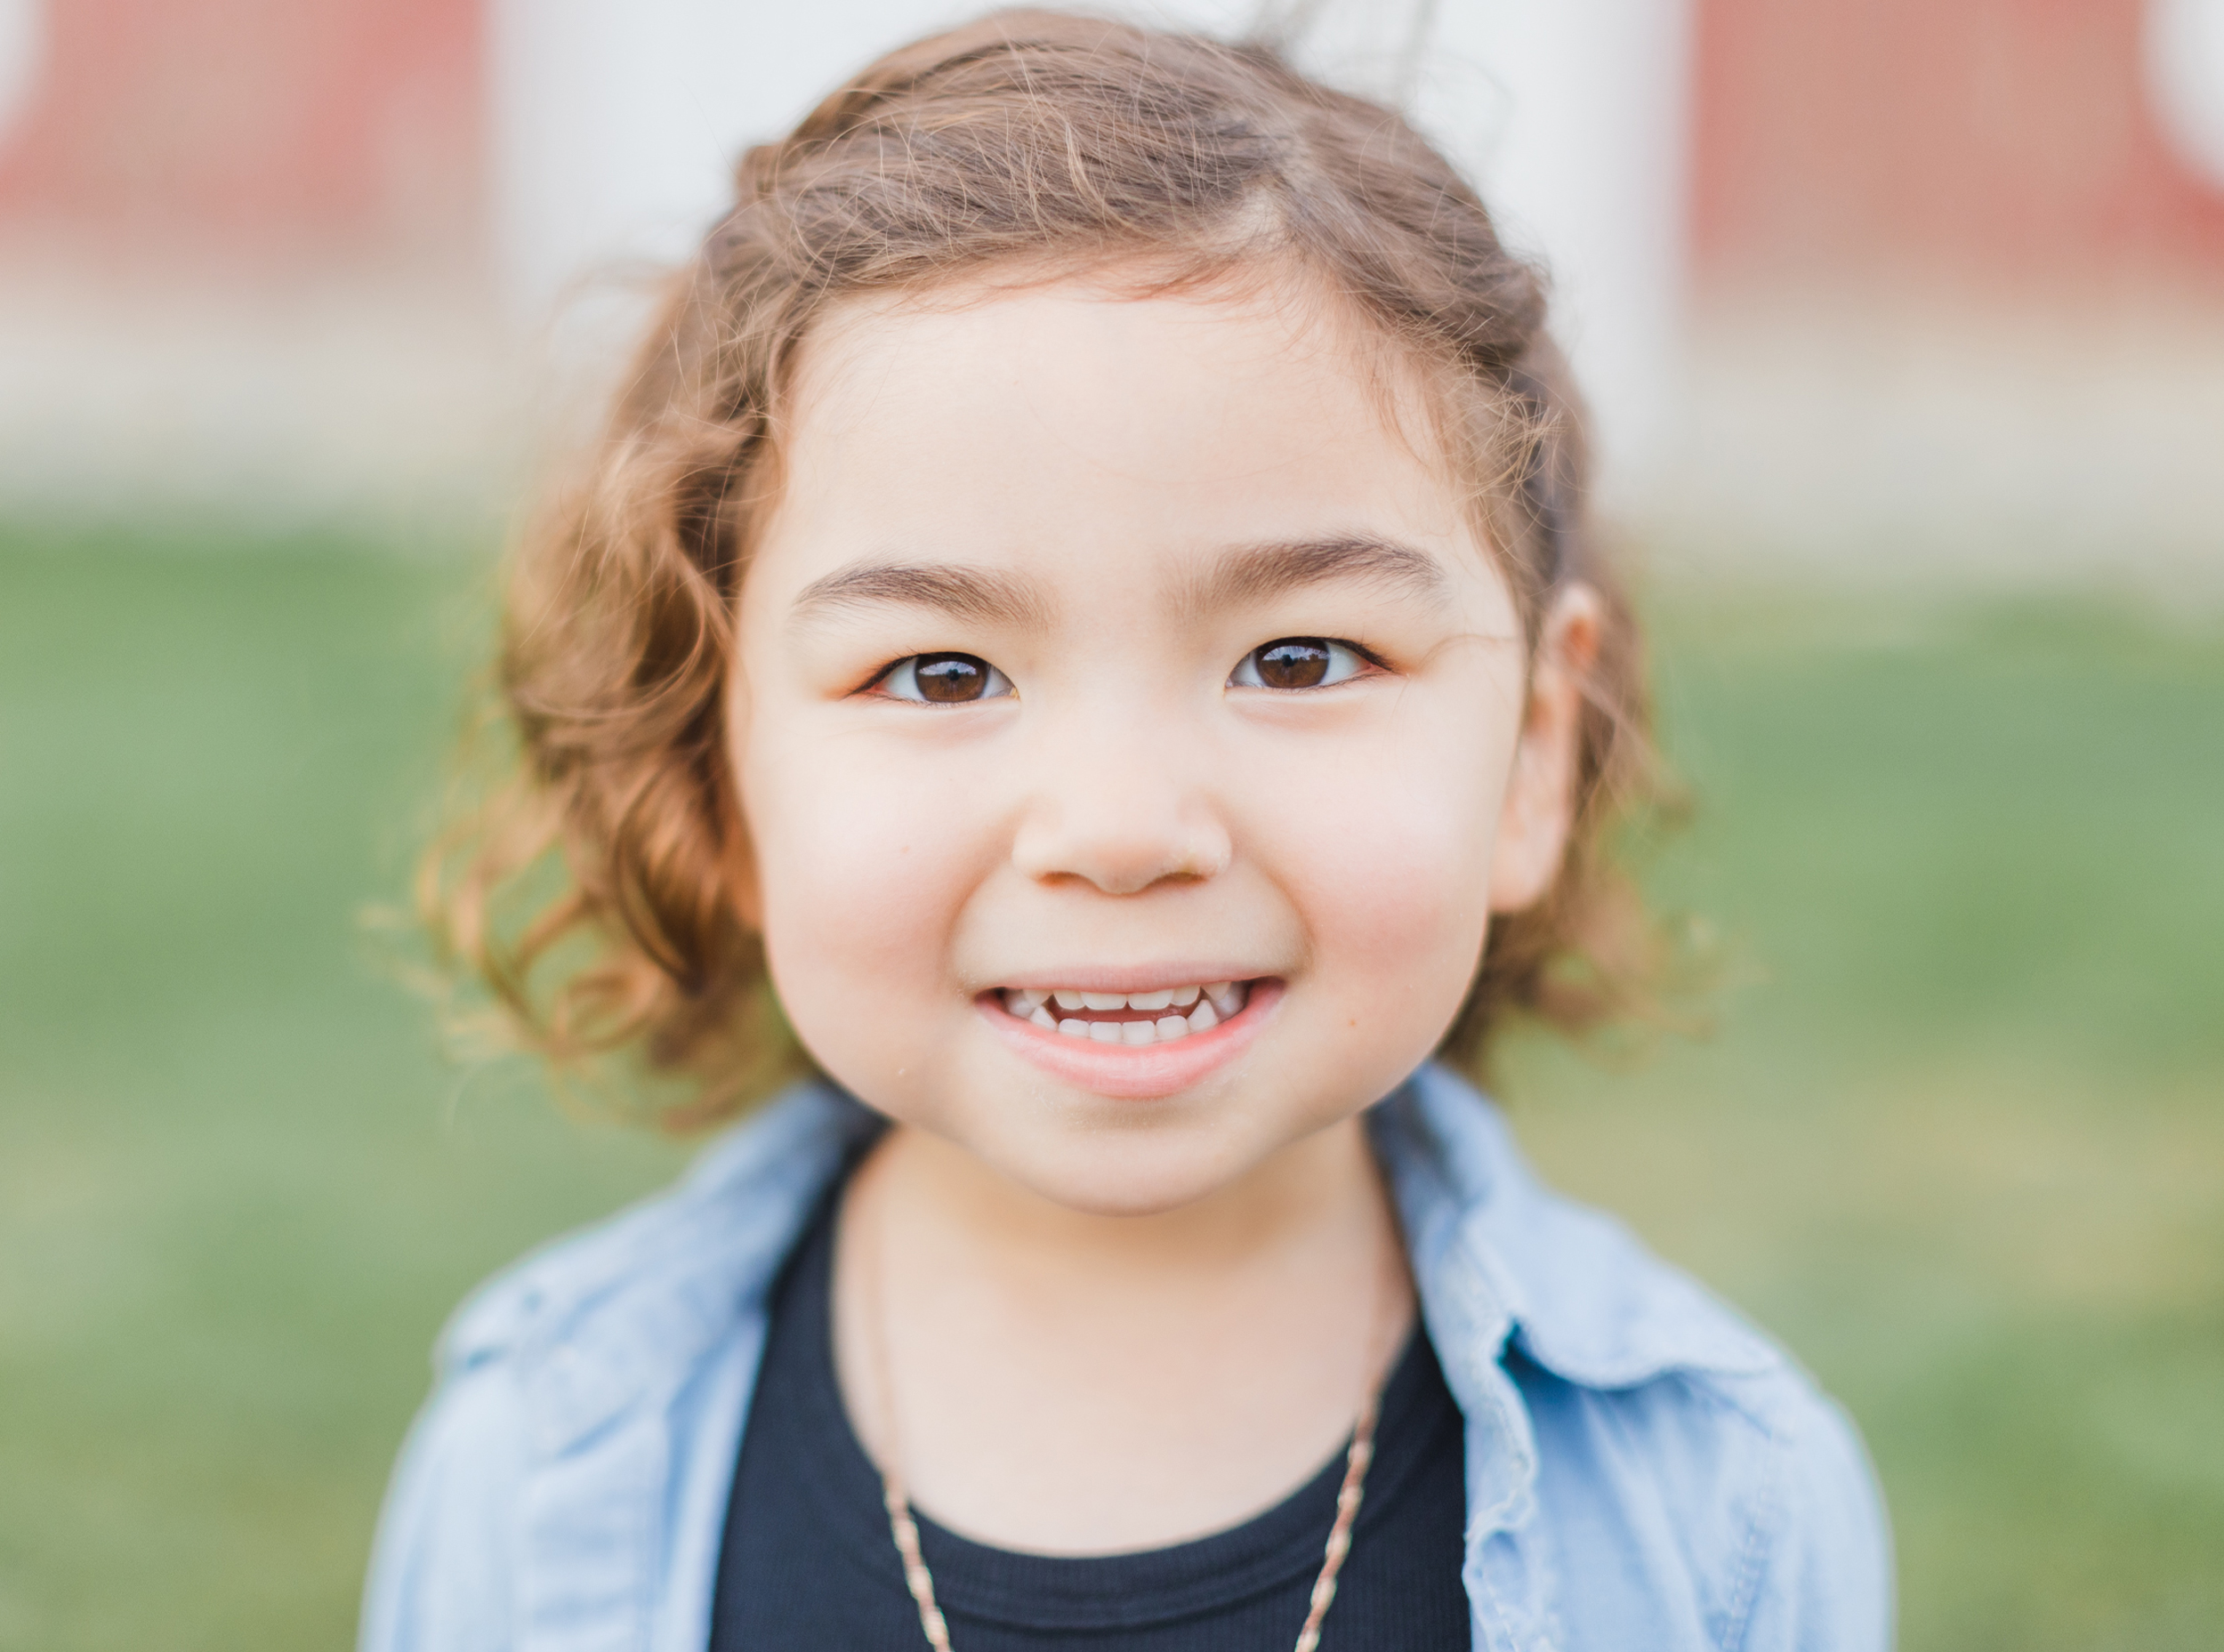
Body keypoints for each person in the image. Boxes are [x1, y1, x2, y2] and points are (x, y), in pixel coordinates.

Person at [362, 11, 1892, 1649]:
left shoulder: (1721, 1507)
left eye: (1300, 658)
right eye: (939, 670)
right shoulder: (536, 1473)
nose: (1121, 828)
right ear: (715, 783)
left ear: (1530, 753)